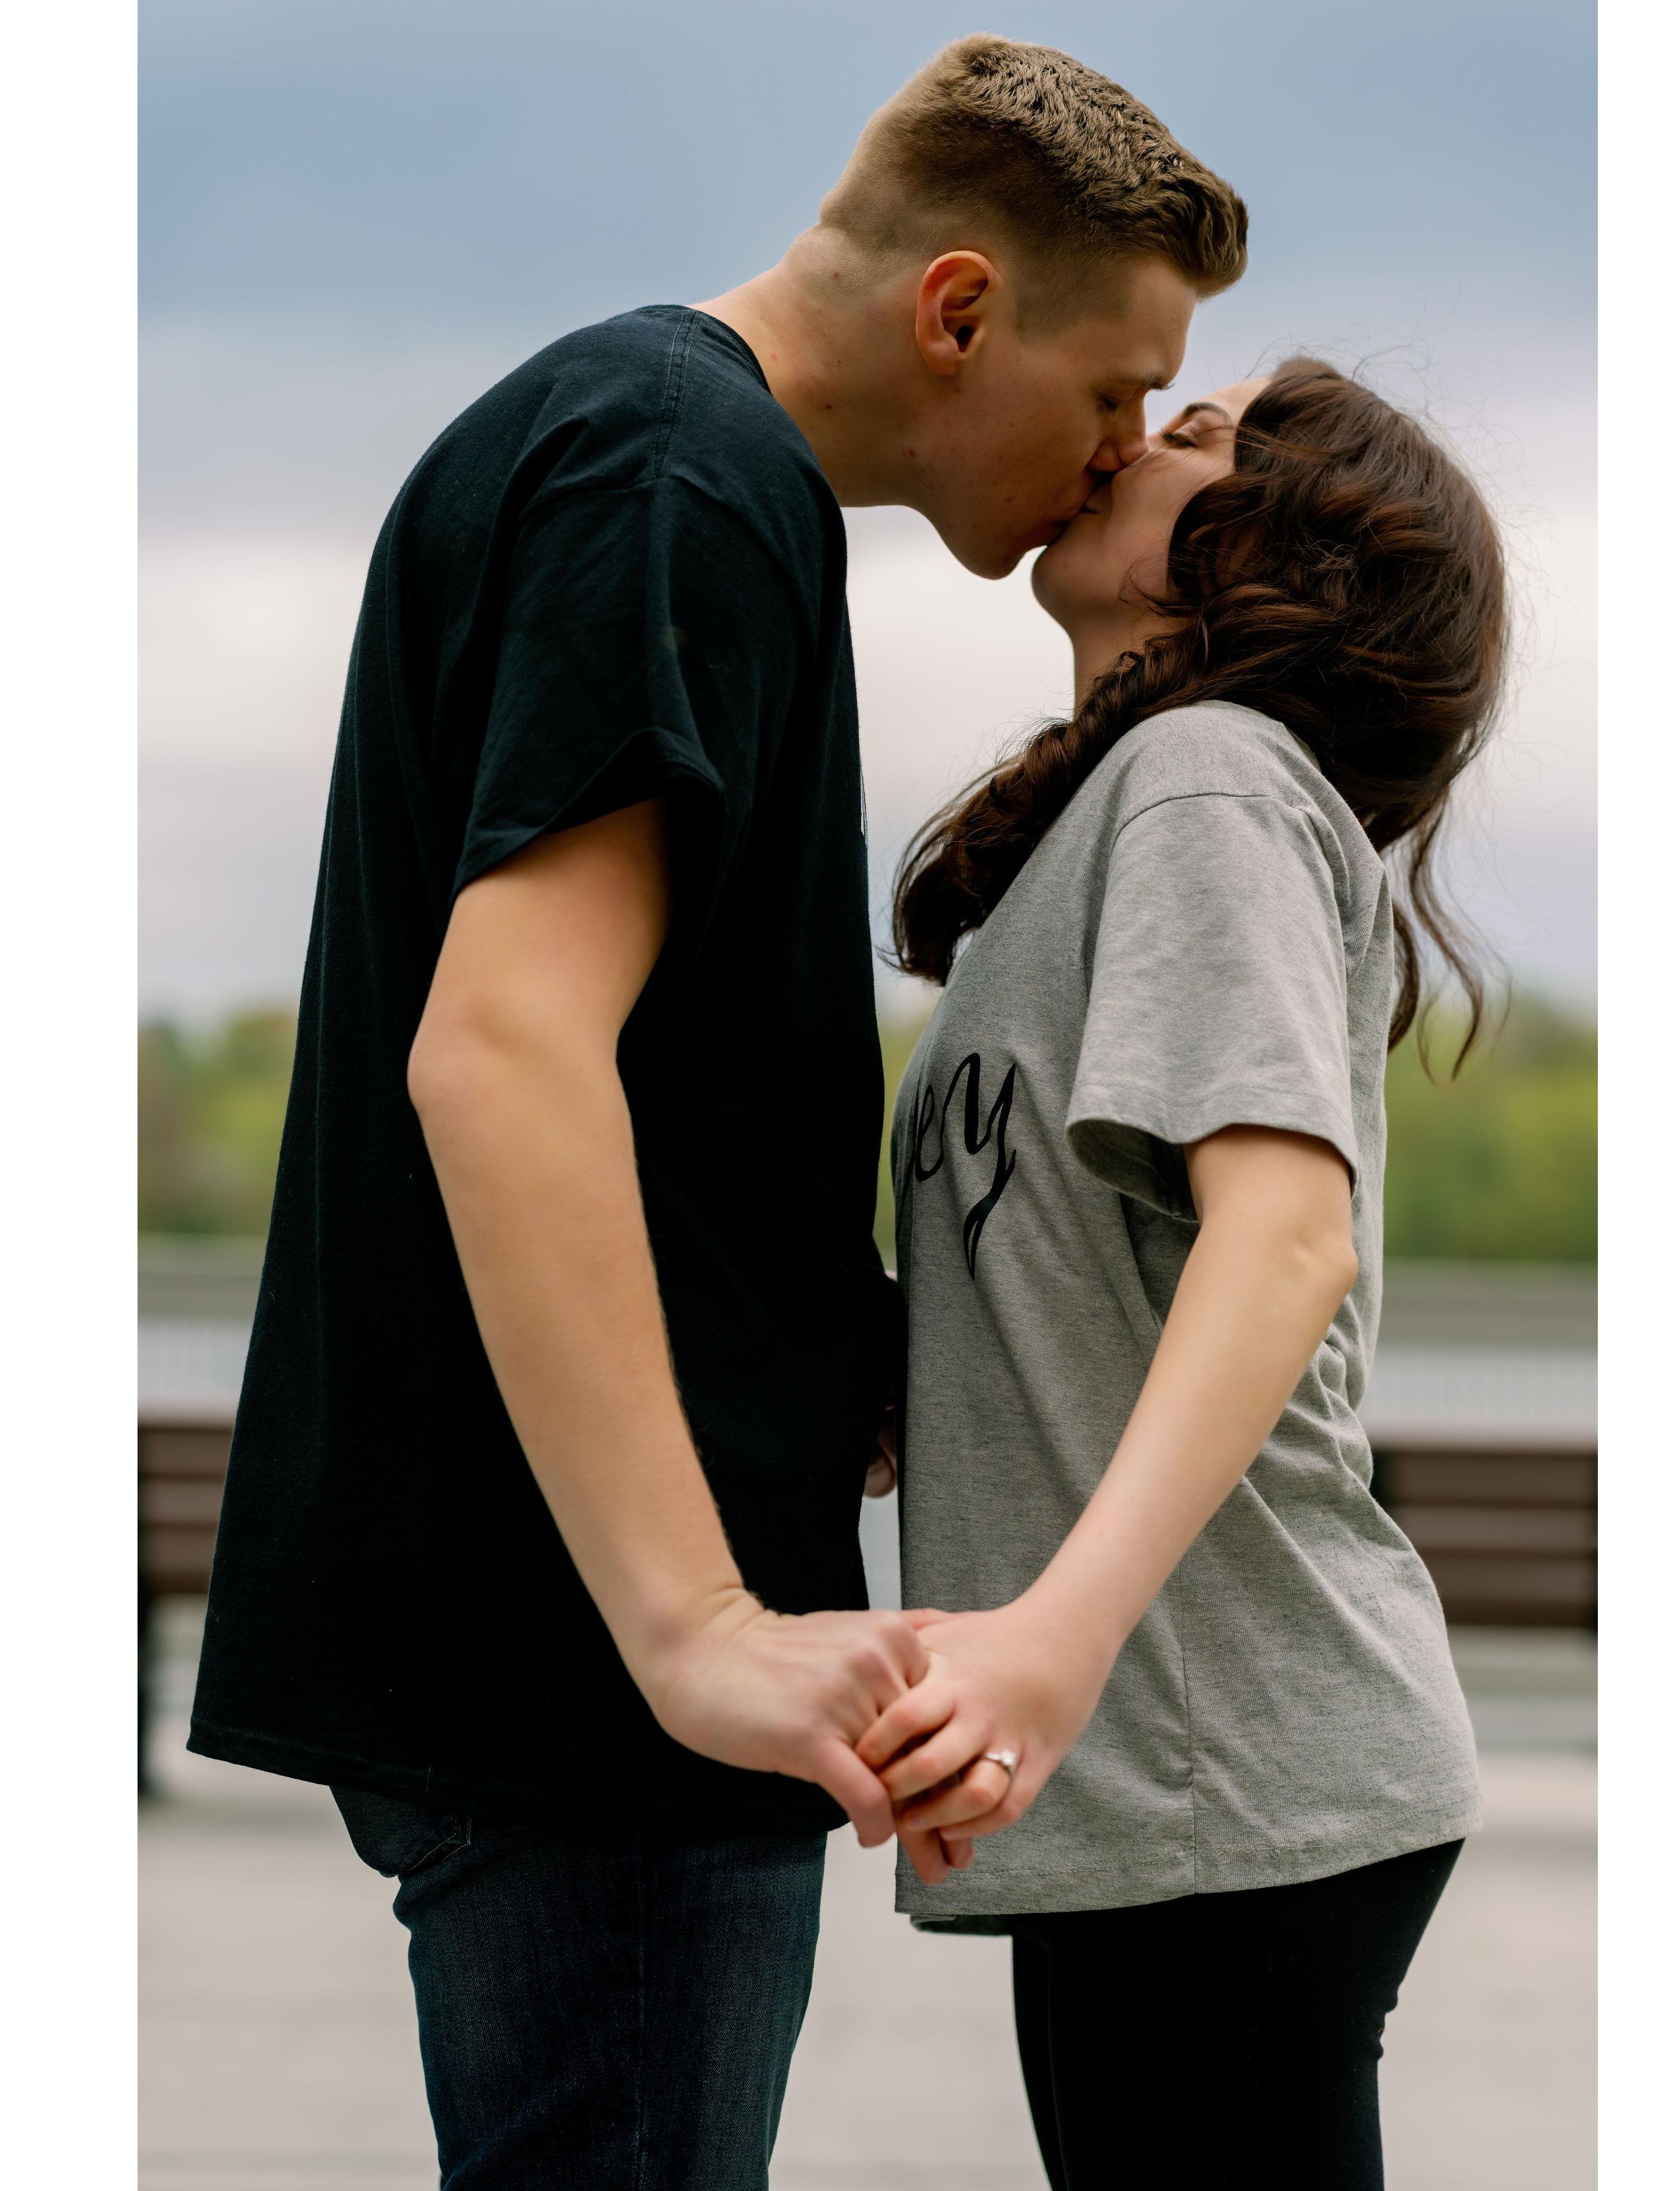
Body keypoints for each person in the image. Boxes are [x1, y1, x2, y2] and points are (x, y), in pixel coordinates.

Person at [185, 35, 1247, 2191]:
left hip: (534, 1646)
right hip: (591, 1689)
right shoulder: (684, 482)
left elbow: (635, 1088)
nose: (1119, 449)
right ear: (959, 309)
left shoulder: (636, 448)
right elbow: (501, 1049)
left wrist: (816, 1367)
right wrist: (696, 1628)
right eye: (1117, 391)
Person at [858, 358, 1508, 2189]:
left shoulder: (1205, 780)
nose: (1134, 433)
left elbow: (1288, 1235)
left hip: (1232, 1756)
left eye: (1199, 435)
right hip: (1146, 1773)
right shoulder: (1105, 829)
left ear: (1277, 559)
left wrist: (1049, 1650)